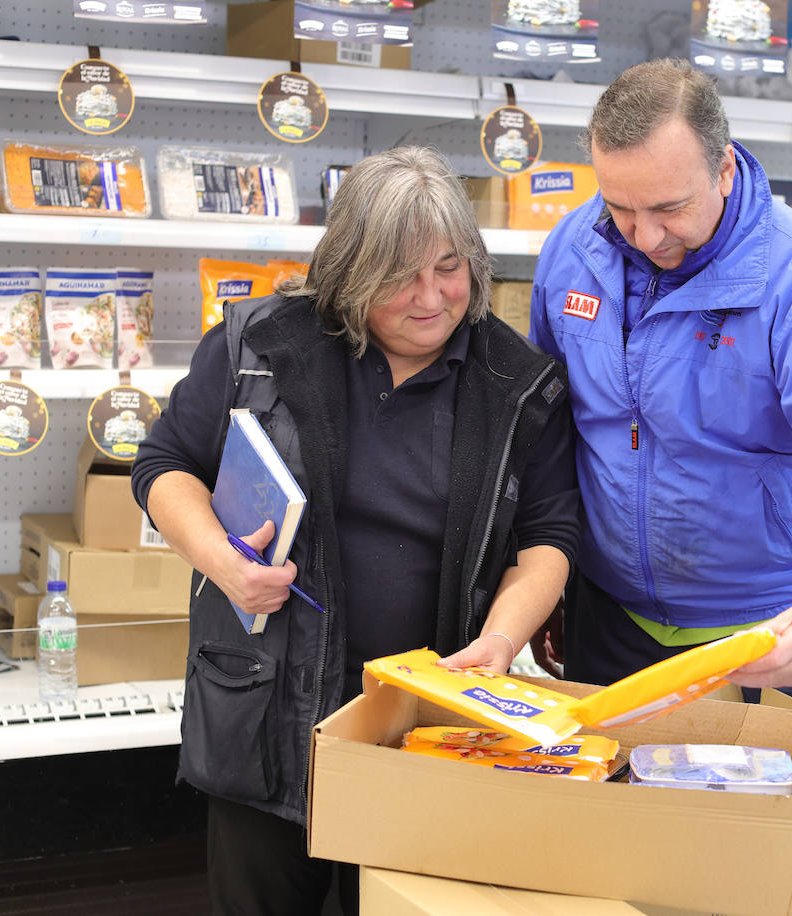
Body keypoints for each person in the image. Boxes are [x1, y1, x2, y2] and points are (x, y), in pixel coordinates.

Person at [131, 146, 579, 916]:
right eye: (400, 275)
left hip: (425, 725)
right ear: (348, 271)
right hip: (266, 712)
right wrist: (223, 562)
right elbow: (164, 464)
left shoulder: (519, 384)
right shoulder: (259, 345)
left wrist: (502, 643)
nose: (431, 297)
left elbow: (548, 541)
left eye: (449, 267)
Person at [528, 59, 792, 715]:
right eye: (620, 207)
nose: (647, 236)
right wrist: (546, 579)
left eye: (669, 208)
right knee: (605, 816)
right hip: (606, 623)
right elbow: (544, 437)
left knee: (750, 821)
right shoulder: (571, 250)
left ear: (724, 168)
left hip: (762, 638)